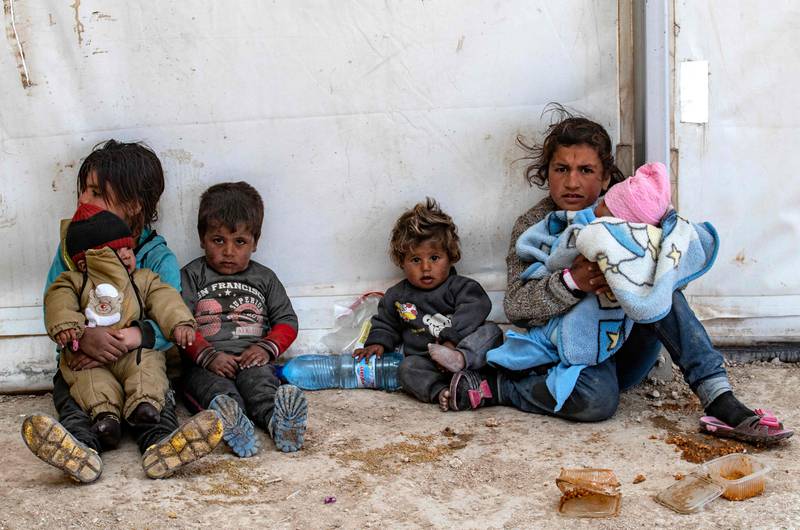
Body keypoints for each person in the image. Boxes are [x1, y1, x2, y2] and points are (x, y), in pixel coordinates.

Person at [450, 110, 793, 445]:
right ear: (547, 174)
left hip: (626, 349)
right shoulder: (534, 227)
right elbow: (516, 307)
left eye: (586, 170)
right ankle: (501, 388)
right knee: (597, 401)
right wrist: (573, 281)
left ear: (605, 178)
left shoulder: (631, 214)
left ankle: (717, 395)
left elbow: (674, 279)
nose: (572, 182)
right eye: (561, 169)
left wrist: (639, 266)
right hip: (570, 356)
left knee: (663, 290)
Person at [22, 140, 223, 483]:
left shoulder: (157, 258)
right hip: (85, 362)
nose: (83, 201)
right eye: (83, 190)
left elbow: (171, 311)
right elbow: (53, 302)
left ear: (132, 206)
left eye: (96, 192)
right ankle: (80, 448)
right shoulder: (72, 252)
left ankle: (162, 446)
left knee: (158, 401)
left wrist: (136, 335)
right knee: (73, 398)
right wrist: (80, 338)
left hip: (142, 363)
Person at [44, 204, 196, 448]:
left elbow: (164, 297)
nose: (126, 255)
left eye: (128, 248)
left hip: (133, 354)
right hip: (88, 358)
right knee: (88, 380)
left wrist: (179, 321)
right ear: (85, 263)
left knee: (149, 364)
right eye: (115, 250)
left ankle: (144, 407)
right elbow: (57, 302)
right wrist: (71, 330)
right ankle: (105, 419)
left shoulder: (143, 278)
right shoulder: (73, 282)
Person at [180, 182, 308, 457]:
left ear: (255, 242)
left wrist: (264, 349)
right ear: (202, 239)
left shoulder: (264, 278)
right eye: (218, 240)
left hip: (252, 358)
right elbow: (181, 324)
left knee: (261, 387)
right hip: (206, 364)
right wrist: (208, 356)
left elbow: (286, 320)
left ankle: (278, 422)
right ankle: (236, 424)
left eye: (239, 242)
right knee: (219, 393)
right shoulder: (191, 275)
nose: (228, 251)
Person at [353, 198, 503, 411]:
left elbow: (475, 308)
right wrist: (377, 343)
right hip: (429, 362)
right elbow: (385, 323)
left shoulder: (461, 287)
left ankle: (460, 361)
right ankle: (444, 392)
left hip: (466, 354)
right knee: (406, 368)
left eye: (434, 257)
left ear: (450, 257)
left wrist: (451, 343)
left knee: (492, 331)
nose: (425, 267)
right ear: (401, 261)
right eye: (415, 260)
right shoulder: (397, 296)